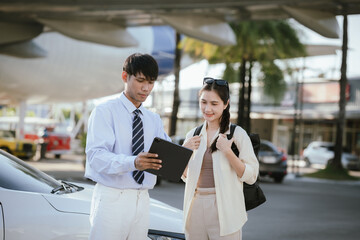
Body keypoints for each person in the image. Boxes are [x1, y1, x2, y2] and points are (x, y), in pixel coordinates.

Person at [85, 53, 170, 240]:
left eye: (151, 82)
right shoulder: (104, 112)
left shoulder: (153, 119)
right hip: (112, 198)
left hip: (143, 199)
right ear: (125, 76)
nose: (146, 88)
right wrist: (133, 163)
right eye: (141, 81)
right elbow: (96, 157)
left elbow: (165, 153)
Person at [182, 77, 259, 240]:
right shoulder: (193, 135)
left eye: (214, 104)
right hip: (195, 204)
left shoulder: (237, 134)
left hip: (225, 207)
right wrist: (184, 152)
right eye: (203, 102)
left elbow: (251, 176)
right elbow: (186, 177)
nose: (207, 108)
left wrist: (228, 152)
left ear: (226, 104)